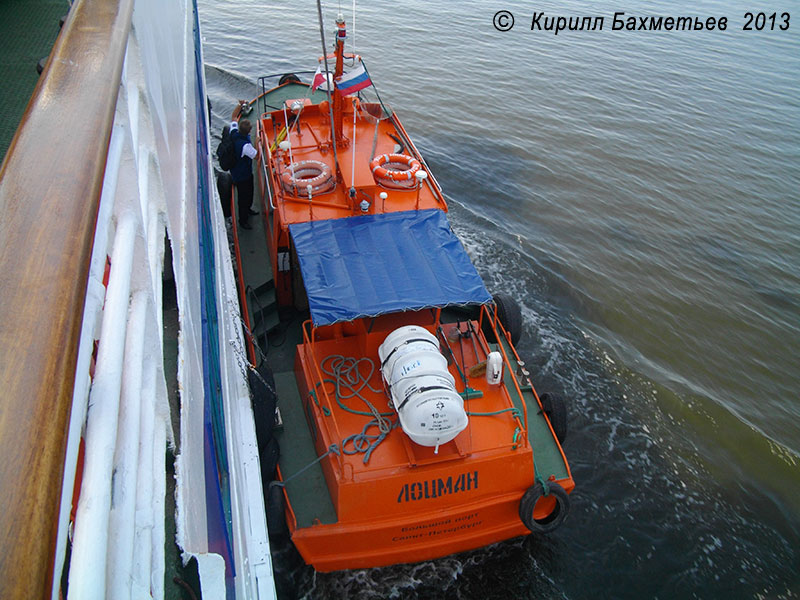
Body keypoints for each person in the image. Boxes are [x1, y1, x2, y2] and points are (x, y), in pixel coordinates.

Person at [230, 101, 259, 229]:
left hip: (236, 171)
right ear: (248, 131)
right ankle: (243, 220)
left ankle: (248, 210)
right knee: (244, 197)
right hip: (243, 176)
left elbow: (234, 117)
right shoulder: (246, 146)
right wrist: (257, 141)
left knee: (249, 194)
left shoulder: (234, 133)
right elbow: (256, 156)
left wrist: (239, 106)